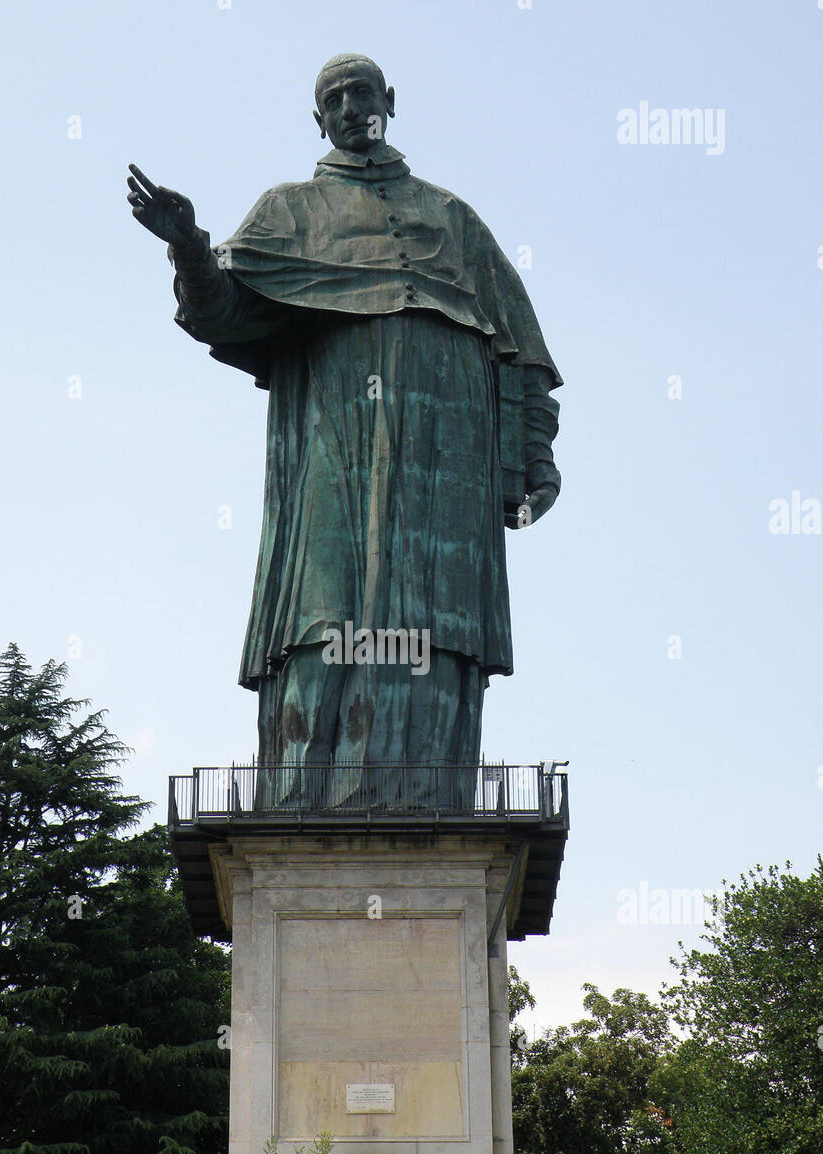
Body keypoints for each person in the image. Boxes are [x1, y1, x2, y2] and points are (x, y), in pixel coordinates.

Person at [128, 53, 562, 809]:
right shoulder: (289, 211)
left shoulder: (455, 221)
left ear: (390, 101)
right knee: (323, 607)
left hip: (447, 456)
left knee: (433, 616)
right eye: (335, 97)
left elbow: (520, 353)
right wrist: (189, 246)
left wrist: (533, 459)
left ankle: (428, 793)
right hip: (333, 439)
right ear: (318, 118)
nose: (352, 105)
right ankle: (306, 795)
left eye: (363, 92)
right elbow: (220, 311)